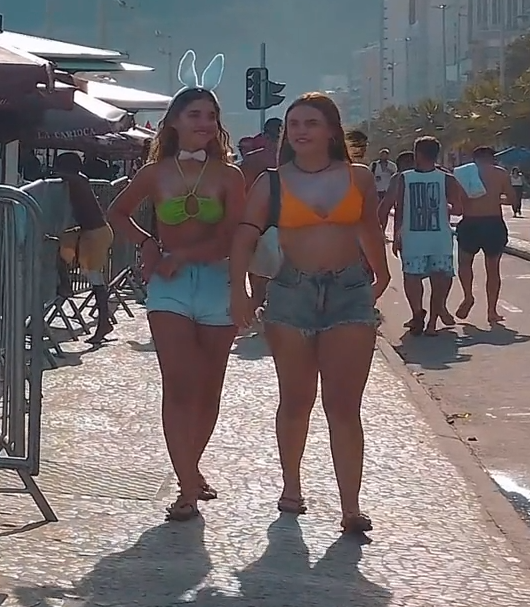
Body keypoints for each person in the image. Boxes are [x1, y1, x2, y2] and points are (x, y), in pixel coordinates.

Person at [230, 92, 389, 534]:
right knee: (296, 400)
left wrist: (382, 271)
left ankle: (350, 506)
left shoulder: (357, 177)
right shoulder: (271, 182)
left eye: (311, 123)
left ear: (331, 131)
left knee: (344, 405)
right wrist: (239, 290)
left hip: (348, 291)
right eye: (294, 123)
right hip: (291, 293)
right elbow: (244, 235)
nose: (300, 130)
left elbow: (367, 226)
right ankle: (292, 486)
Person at [108, 55, 245, 522]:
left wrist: (179, 254)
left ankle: (192, 468)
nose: (205, 123)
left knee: (209, 392)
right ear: (174, 122)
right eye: (195, 115)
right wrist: (147, 243)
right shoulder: (156, 173)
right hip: (168, 289)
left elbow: (231, 236)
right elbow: (117, 213)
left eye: (211, 116)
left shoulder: (230, 176)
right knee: (179, 386)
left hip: (216, 282)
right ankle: (186, 487)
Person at [392, 136, 464, 336]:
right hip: (440, 238)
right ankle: (432, 323)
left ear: (417, 154)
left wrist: (396, 234)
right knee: (440, 280)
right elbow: (458, 209)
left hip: (412, 238)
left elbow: (398, 208)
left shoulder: (404, 178)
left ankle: (417, 313)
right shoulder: (447, 179)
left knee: (412, 277)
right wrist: (442, 207)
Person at [53, 152, 115, 346]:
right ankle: (65, 285)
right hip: (89, 232)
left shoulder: (79, 180)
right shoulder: (78, 180)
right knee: (61, 249)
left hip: (96, 233)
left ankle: (103, 322)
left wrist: (56, 174)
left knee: (94, 277)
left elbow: (70, 177)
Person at [455, 146, 515, 325]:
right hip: (493, 222)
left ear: (475, 158)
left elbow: (457, 202)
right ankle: (492, 311)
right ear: (492, 158)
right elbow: (512, 199)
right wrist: (496, 198)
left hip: (470, 222)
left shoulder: (463, 173)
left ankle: (468, 296)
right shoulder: (500, 173)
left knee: (464, 264)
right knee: (493, 269)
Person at [240, 118, 283, 313]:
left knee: (258, 285)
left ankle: (257, 317)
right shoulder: (292, 160)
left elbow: (242, 194)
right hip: (280, 221)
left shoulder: (252, 160)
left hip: (256, 222)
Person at [378, 150, 414, 232]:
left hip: (403, 232)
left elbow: (385, 207)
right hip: (379, 189)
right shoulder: (438, 178)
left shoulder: (398, 177)